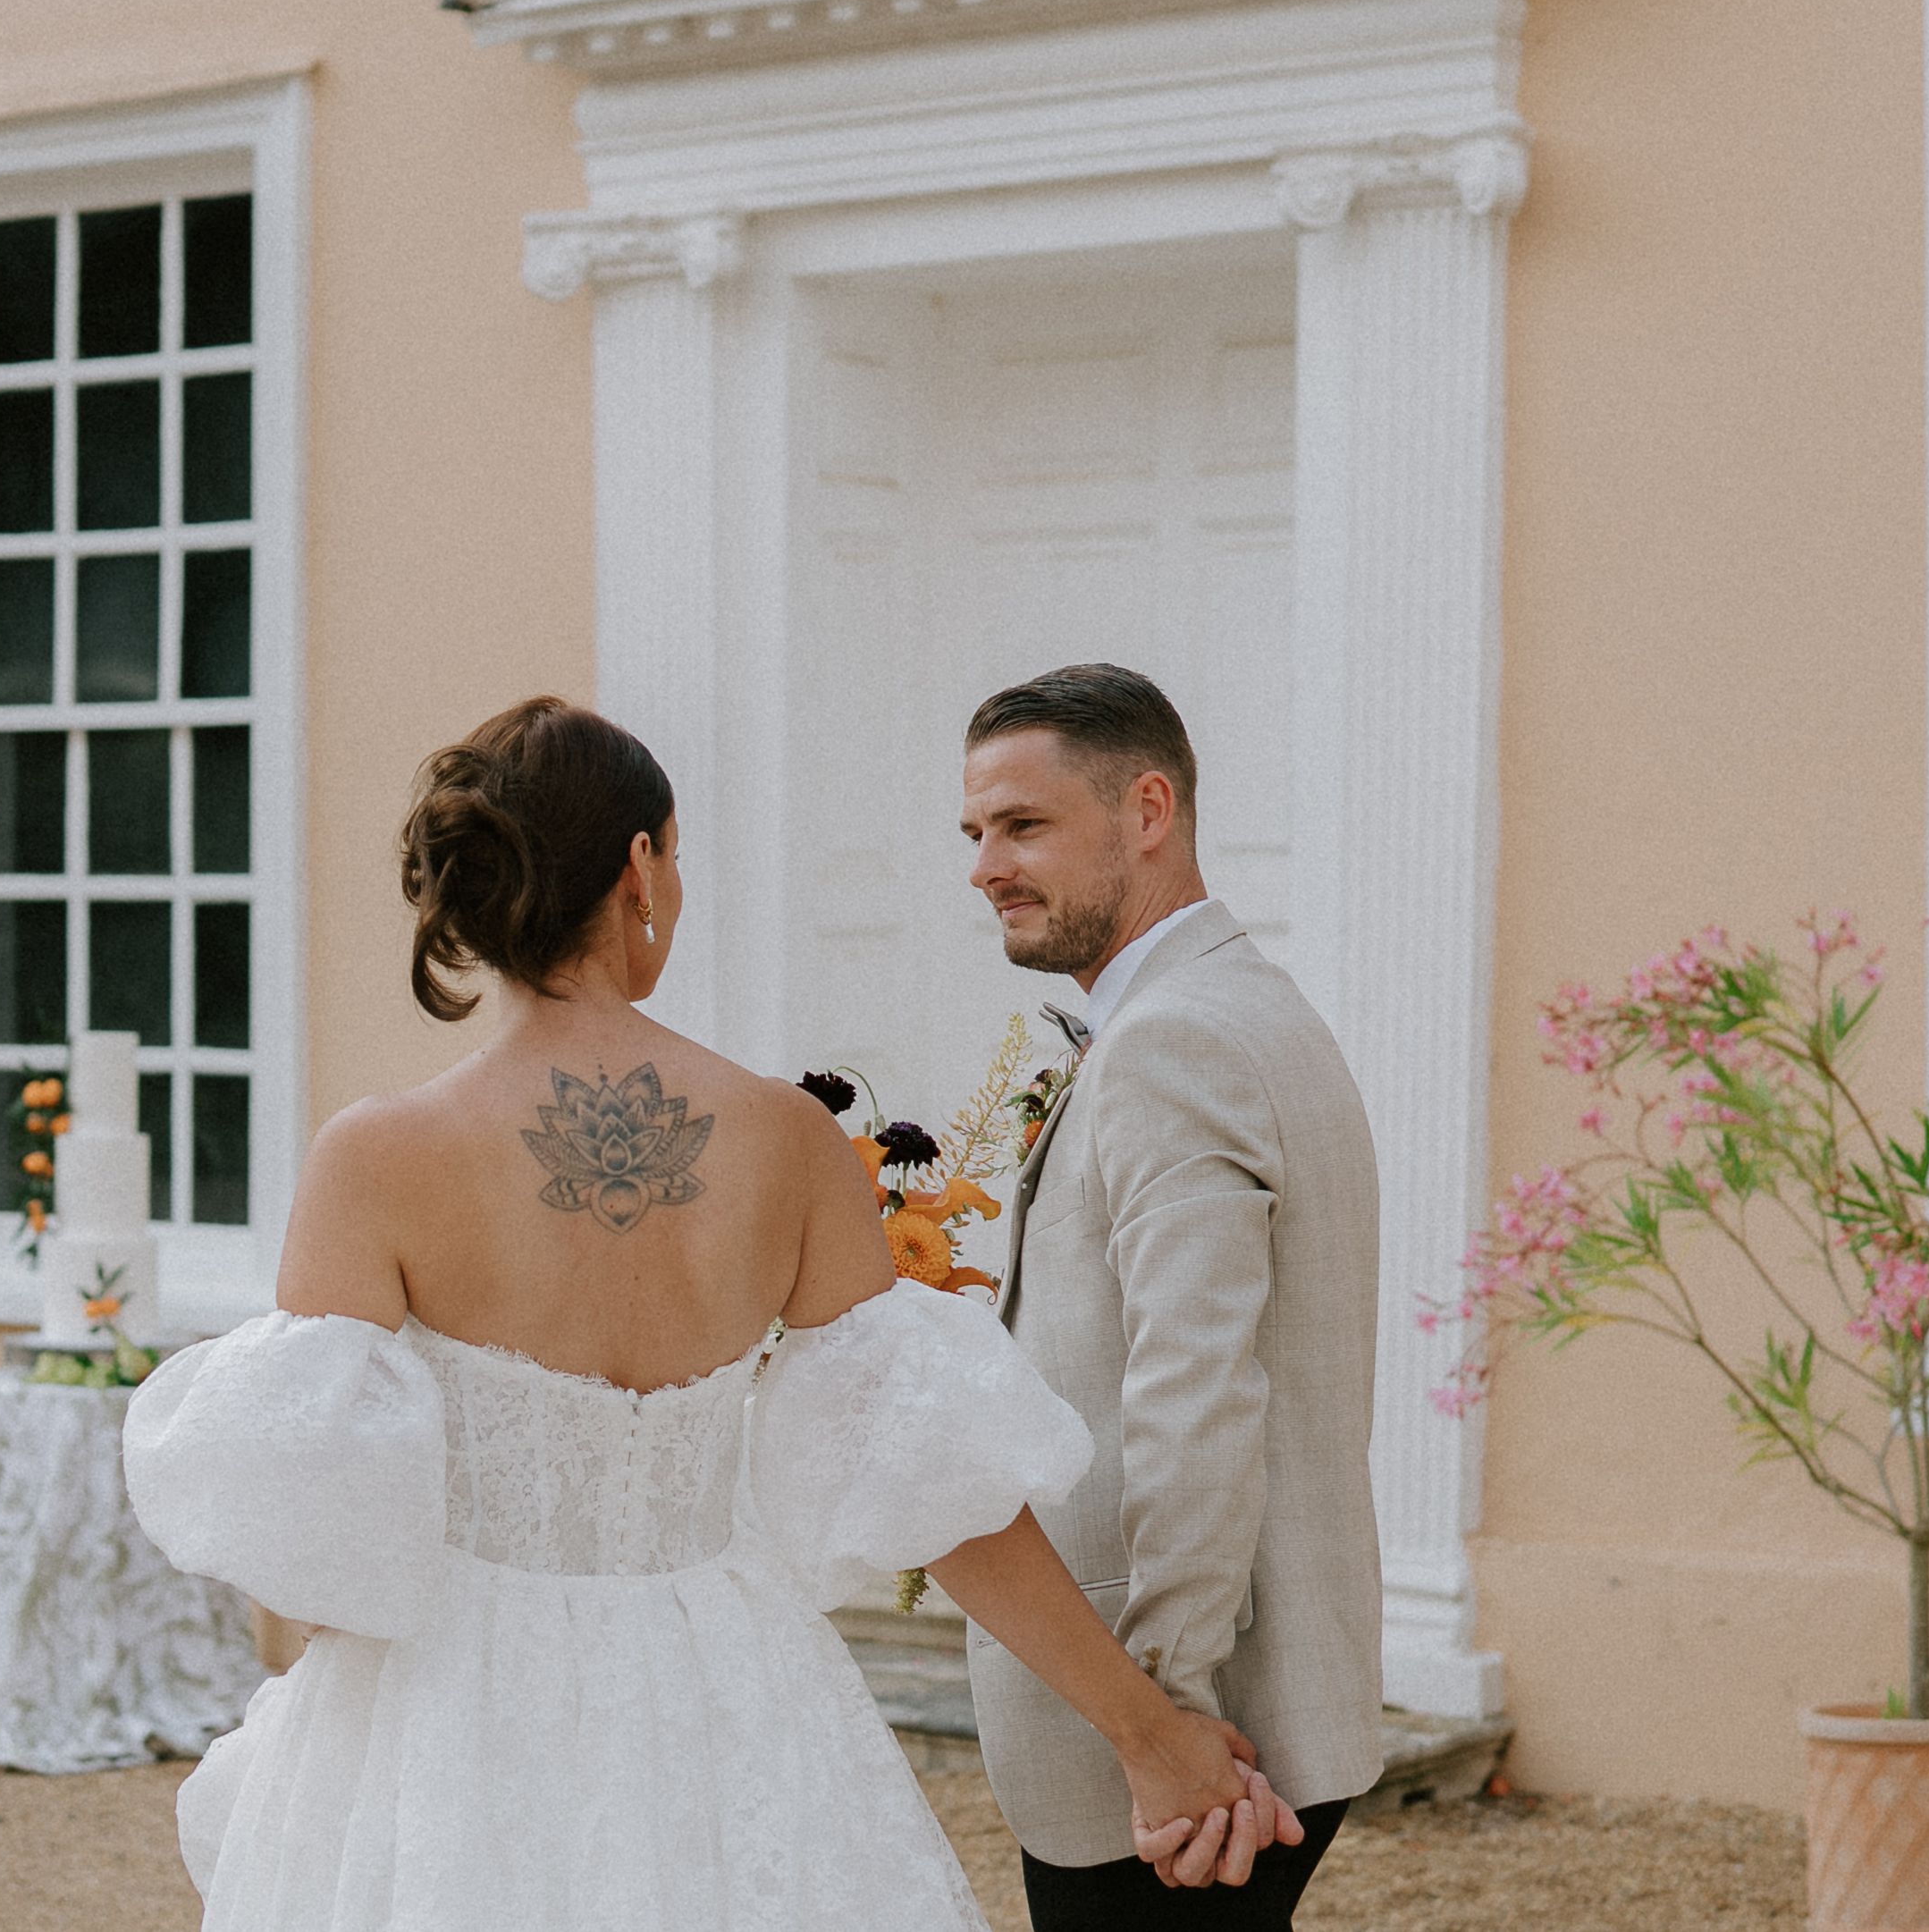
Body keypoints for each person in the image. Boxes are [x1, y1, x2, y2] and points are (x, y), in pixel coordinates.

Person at [123, 694, 1297, 1931]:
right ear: (639, 865)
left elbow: (309, 1523)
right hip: (724, 1683)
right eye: (672, 856)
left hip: (453, 1702)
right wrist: (1147, 1732)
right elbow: (940, 1499)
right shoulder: (783, 1139)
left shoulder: (374, 1157)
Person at [958, 664, 1386, 1930]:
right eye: (974, 833)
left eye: (1021, 825)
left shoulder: (1172, 1042)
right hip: (1233, 1710)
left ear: (1148, 811)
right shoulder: (1241, 1006)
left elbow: (1195, 1397)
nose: (984, 865)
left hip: (1189, 1737)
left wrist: (1166, 1720)